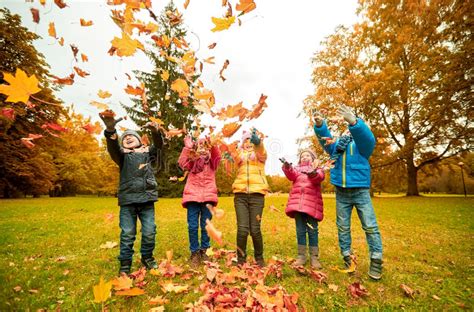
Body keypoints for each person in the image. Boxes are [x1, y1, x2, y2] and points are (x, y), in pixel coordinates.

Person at [313, 104, 383, 280]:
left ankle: (376, 260)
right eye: (347, 127)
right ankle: (347, 257)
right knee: (343, 227)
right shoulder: (337, 145)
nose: (347, 130)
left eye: (350, 126)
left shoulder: (363, 145)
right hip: (341, 192)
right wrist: (321, 125)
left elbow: (368, 138)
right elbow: (325, 140)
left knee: (370, 226)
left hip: (360, 191)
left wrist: (355, 122)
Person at [99, 110, 163, 275]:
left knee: (149, 231)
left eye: (131, 136)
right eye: (124, 137)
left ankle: (147, 258)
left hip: (147, 200)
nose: (127, 137)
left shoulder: (148, 153)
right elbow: (113, 147)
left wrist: (156, 132)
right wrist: (111, 132)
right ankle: (125, 264)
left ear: (140, 140)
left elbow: (159, 145)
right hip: (128, 201)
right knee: (127, 233)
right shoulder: (121, 156)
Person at [178, 135, 221, 267]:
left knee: (206, 226)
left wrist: (213, 145)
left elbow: (217, 158)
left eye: (205, 146)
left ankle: (204, 250)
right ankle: (195, 252)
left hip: (208, 197)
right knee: (192, 226)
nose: (202, 148)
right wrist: (187, 148)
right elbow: (182, 163)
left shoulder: (212, 162)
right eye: (199, 145)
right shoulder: (192, 161)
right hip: (192, 197)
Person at [231, 128, 269, 267]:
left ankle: (259, 258)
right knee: (242, 229)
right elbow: (234, 155)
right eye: (245, 140)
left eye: (250, 140)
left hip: (257, 195)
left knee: (255, 229)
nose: (248, 143)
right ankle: (240, 259)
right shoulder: (240, 157)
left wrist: (258, 143)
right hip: (240, 195)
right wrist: (233, 146)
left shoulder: (260, 156)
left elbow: (261, 152)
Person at [281, 150, 325, 269]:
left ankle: (314, 257)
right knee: (300, 231)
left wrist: (312, 172)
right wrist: (287, 166)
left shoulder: (318, 169)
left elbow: (318, 178)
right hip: (298, 206)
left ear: (313, 158)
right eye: (302, 156)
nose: (305, 157)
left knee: (313, 231)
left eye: (308, 156)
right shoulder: (297, 170)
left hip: (312, 206)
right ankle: (301, 256)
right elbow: (291, 175)